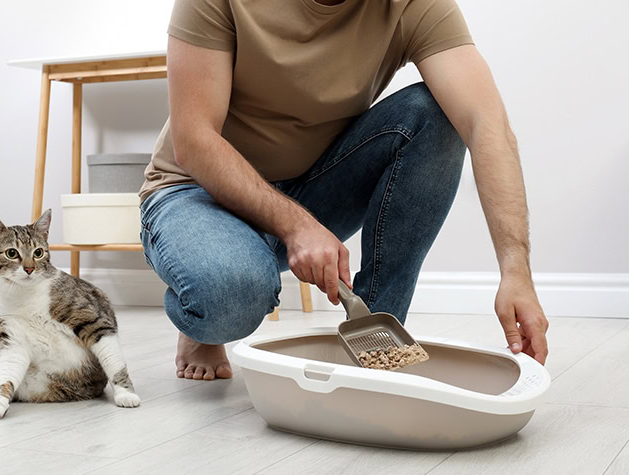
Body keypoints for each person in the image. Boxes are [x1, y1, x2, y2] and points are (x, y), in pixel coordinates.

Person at [138, 0, 549, 380]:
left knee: (437, 114)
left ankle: (375, 333)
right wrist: (297, 226)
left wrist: (516, 271)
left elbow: (485, 124)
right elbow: (195, 141)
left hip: (311, 188)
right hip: (195, 191)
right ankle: (204, 319)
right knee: (227, 299)